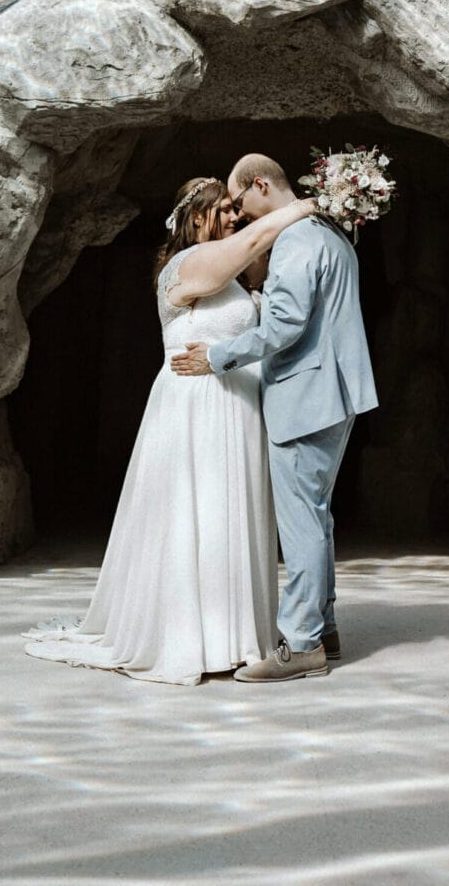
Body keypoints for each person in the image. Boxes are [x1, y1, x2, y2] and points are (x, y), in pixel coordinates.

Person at [23, 176, 317, 684]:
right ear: (197, 218)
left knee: (232, 514)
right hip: (197, 408)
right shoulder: (185, 266)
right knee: (197, 515)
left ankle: (234, 636)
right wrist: (310, 204)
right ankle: (189, 636)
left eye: (236, 209)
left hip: (238, 408)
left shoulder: (233, 275)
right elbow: (253, 240)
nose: (235, 216)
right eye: (224, 209)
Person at [171, 154, 378, 682]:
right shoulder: (331, 233)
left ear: (260, 184)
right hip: (335, 392)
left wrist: (217, 357)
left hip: (305, 396)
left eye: (240, 201)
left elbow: (284, 324)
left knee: (302, 520)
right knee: (317, 514)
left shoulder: (296, 239)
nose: (240, 213)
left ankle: (302, 644)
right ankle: (324, 627)